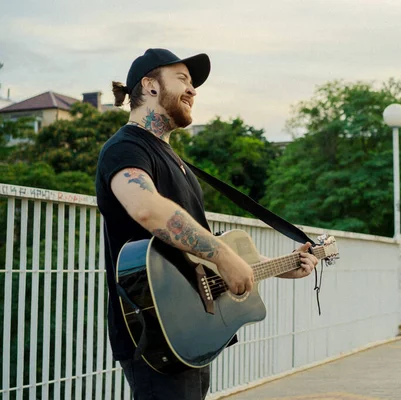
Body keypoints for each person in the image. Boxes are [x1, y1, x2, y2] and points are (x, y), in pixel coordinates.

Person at [95, 48, 319, 400]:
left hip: (190, 328)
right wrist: (224, 256)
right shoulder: (125, 148)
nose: (193, 90)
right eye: (183, 79)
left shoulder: (176, 161)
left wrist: (283, 266)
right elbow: (146, 209)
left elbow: (195, 253)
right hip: (155, 330)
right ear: (151, 86)